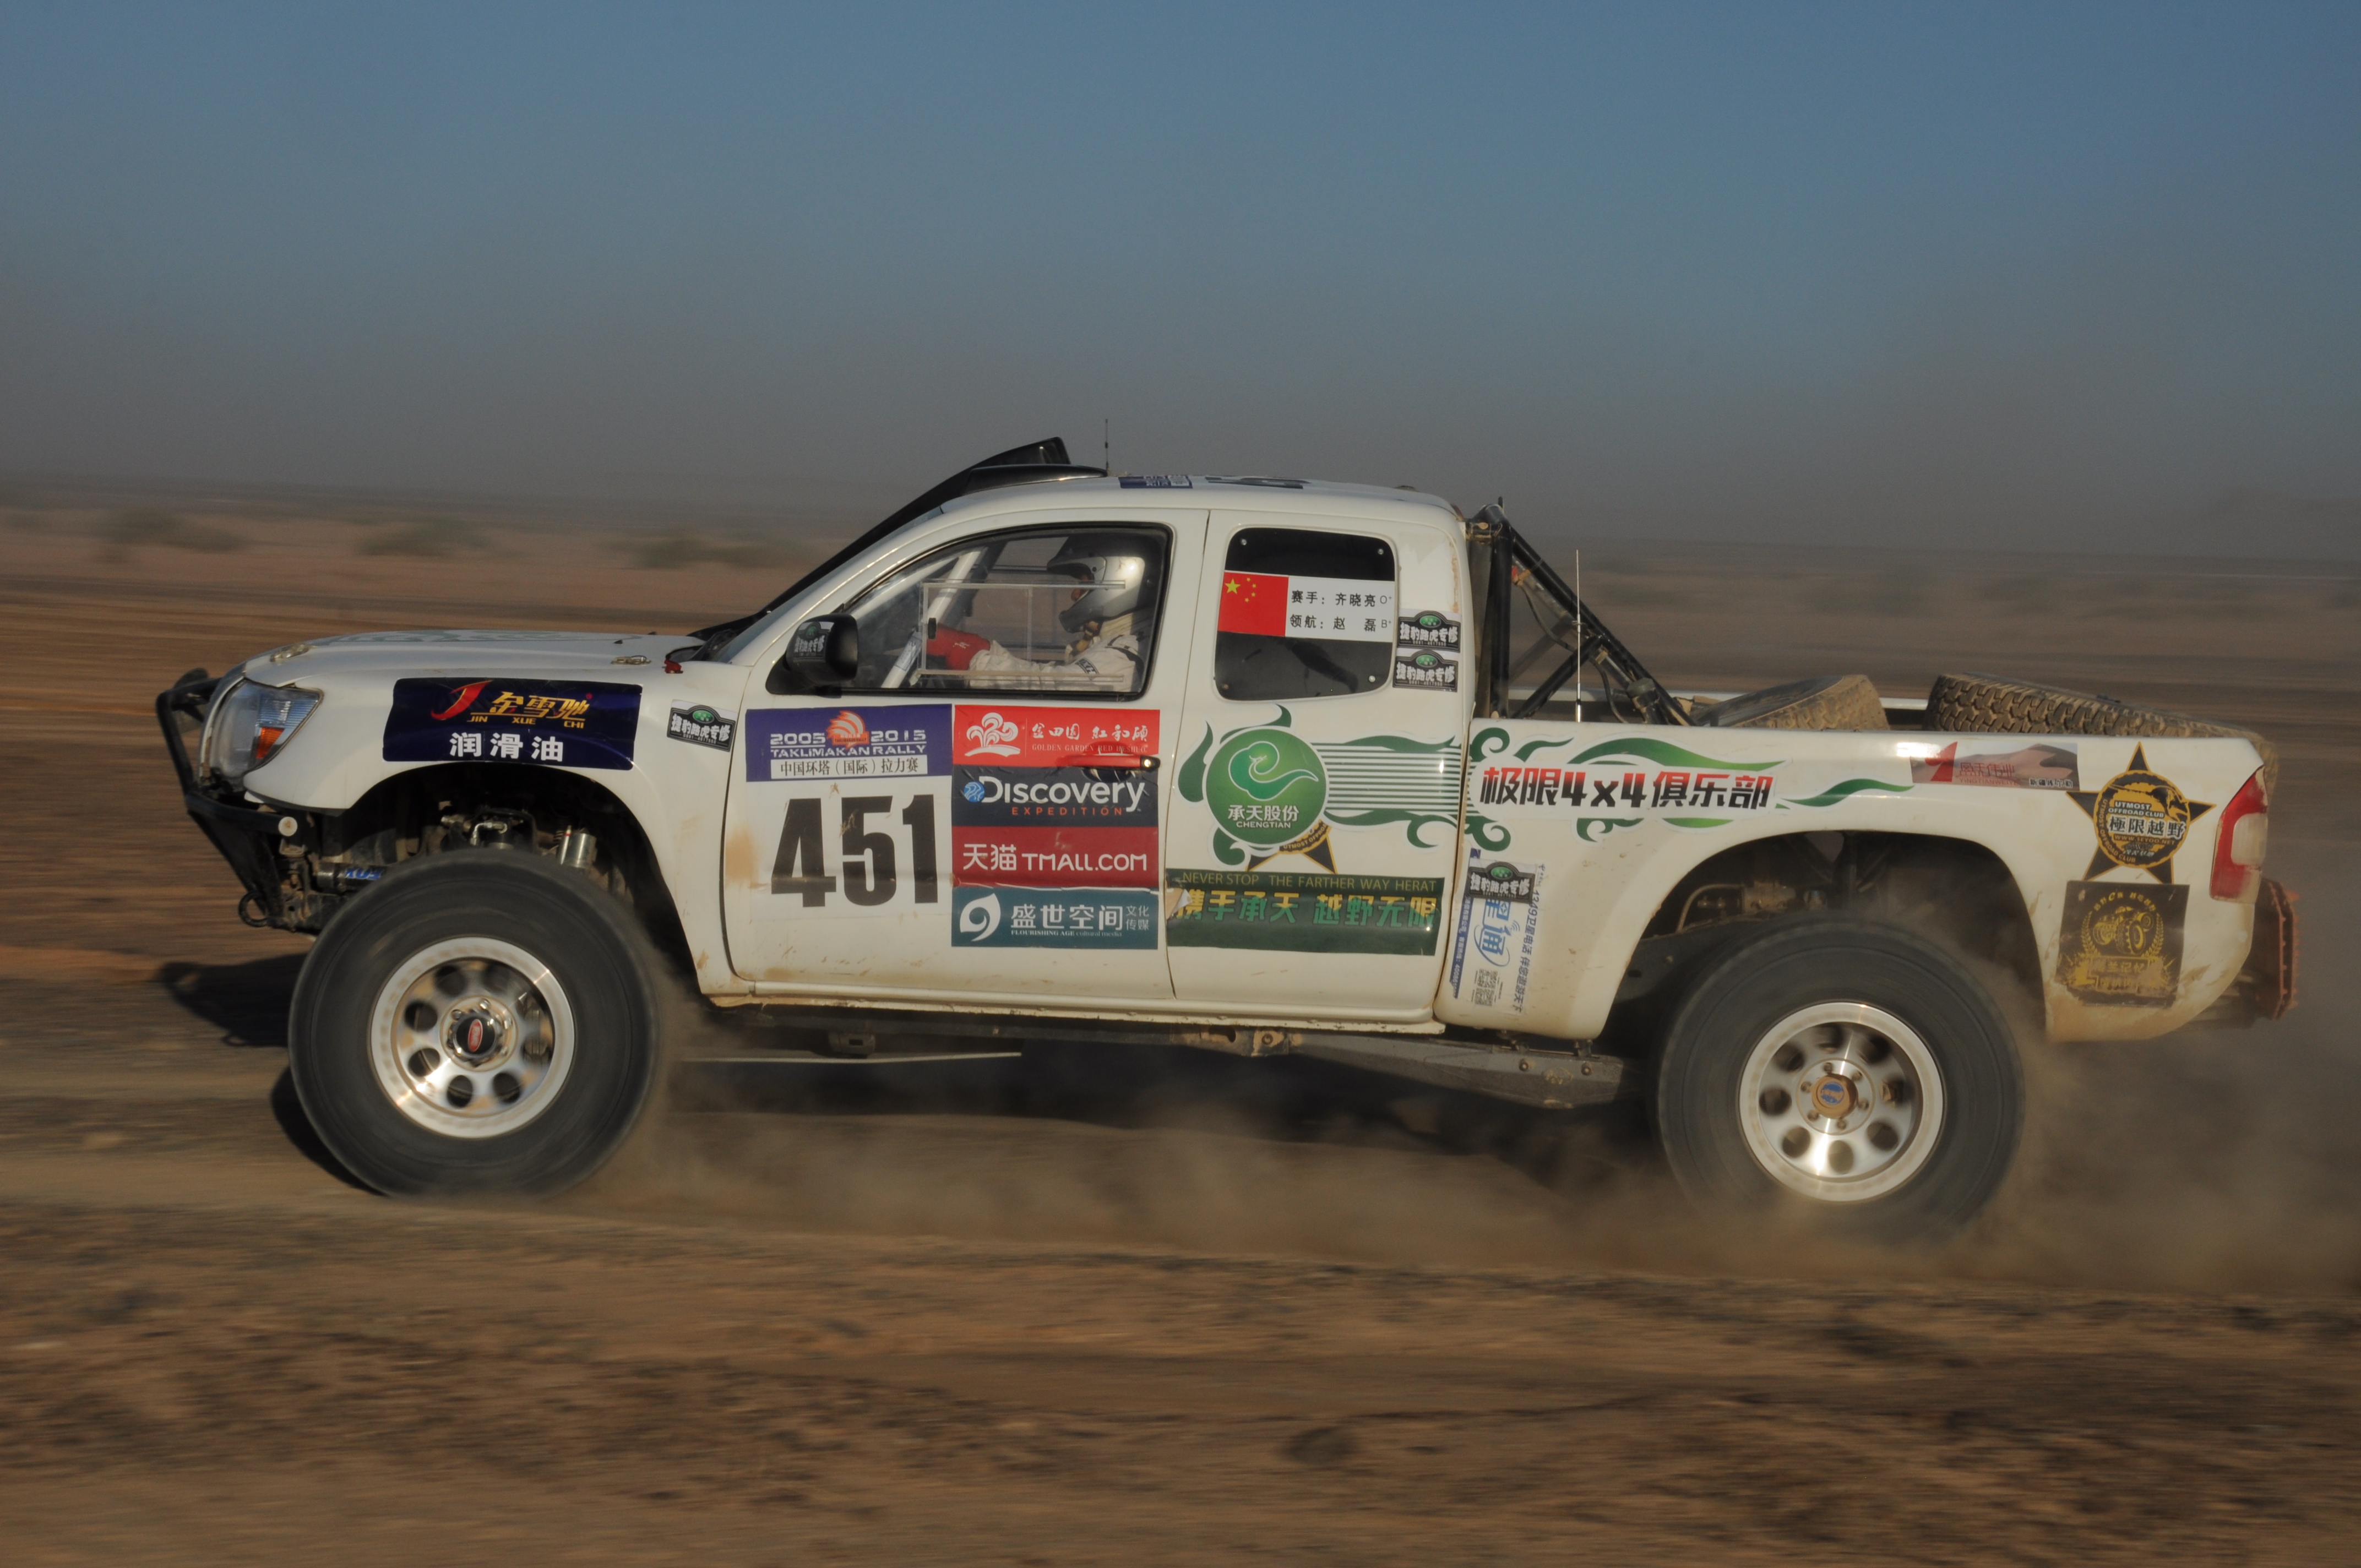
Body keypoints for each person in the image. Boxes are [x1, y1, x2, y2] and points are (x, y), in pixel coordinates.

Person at [924, 533, 1153, 689]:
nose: (1075, 594)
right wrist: (983, 649)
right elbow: (1049, 675)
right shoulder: (1118, 645)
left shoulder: (1127, 653)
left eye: (1084, 584)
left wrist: (971, 659)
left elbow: (1054, 688)